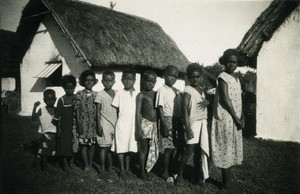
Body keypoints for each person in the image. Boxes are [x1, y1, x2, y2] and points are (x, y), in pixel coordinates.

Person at [211, 49, 244, 190]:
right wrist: (236, 117)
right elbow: (225, 99)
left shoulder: (236, 79)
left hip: (235, 118)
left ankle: (229, 181)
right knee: (225, 148)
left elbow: (239, 100)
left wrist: (242, 116)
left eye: (234, 62)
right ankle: (225, 183)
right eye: (229, 61)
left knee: (231, 148)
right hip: (226, 118)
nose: (232, 64)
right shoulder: (222, 77)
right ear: (224, 62)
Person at [176, 63, 210, 185]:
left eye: (197, 77)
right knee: (188, 150)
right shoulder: (187, 91)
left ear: (201, 77)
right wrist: (188, 128)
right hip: (193, 123)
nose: (195, 79)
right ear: (189, 78)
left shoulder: (202, 89)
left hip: (203, 122)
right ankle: (179, 175)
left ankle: (197, 176)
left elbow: (204, 102)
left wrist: (207, 102)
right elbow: (184, 110)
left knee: (199, 151)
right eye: (192, 77)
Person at [155, 65, 183, 182]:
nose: (173, 78)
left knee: (174, 148)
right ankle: (165, 172)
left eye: (176, 76)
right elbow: (160, 108)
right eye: (171, 75)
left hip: (176, 120)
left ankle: (172, 169)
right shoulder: (162, 90)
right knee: (168, 148)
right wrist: (164, 125)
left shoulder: (175, 91)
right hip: (167, 120)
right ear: (164, 75)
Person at [111, 69, 138, 178]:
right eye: (125, 79)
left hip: (133, 125)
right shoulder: (119, 93)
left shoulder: (138, 94)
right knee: (121, 146)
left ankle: (127, 168)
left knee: (130, 146)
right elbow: (116, 111)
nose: (127, 81)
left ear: (134, 80)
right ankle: (121, 170)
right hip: (122, 124)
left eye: (130, 79)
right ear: (122, 80)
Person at [135, 70, 159, 181]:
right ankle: (142, 171)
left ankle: (147, 167)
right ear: (143, 81)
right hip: (145, 123)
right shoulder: (141, 95)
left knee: (152, 148)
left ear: (155, 81)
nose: (150, 83)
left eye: (152, 81)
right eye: (147, 81)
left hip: (155, 125)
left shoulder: (157, 94)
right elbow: (138, 112)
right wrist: (138, 127)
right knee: (143, 149)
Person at [74, 70, 98, 171]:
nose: (89, 82)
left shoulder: (97, 95)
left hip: (93, 124)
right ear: (83, 82)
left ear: (94, 82)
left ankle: (90, 163)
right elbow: (77, 111)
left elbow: (98, 111)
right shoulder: (79, 94)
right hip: (83, 123)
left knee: (92, 145)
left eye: (91, 80)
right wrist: (79, 124)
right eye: (86, 80)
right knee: (83, 145)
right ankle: (85, 165)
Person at [95, 71, 117, 174]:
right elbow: (97, 111)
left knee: (110, 147)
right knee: (104, 147)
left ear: (114, 82)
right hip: (104, 123)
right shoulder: (100, 94)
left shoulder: (117, 93)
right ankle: (102, 168)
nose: (108, 83)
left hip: (115, 123)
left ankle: (110, 166)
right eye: (105, 81)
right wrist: (98, 126)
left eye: (110, 81)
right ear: (102, 81)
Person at [53, 74, 77, 171]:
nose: (69, 90)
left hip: (74, 125)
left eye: (71, 88)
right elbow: (58, 116)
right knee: (64, 145)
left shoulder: (77, 97)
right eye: (67, 88)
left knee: (73, 144)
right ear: (64, 88)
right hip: (64, 126)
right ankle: (64, 164)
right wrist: (58, 129)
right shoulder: (61, 100)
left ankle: (71, 162)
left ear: (74, 87)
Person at [31, 89, 57, 171]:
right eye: (48, 100)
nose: (50, 102)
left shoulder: (56, 110)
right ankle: (44, 165)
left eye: (52, 100)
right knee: (44, 151)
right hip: (45, 133)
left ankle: (54, 164)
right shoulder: (42, 110)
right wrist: (35, 107)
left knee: (54, 149)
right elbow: (33, 118)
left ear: (55, 99)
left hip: (54, 133)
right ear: (44, 100)